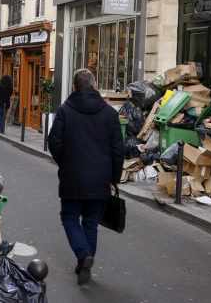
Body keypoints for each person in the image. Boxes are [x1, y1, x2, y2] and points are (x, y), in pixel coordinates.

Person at [48, 69, 124, 285]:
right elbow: (118, 149)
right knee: (91, 222)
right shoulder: (110, 114)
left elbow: (54, 142)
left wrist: (66, 162)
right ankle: (85, 261)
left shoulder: (65, 111)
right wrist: (114, 177)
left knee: (70, 217)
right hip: (100, 179)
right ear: (94, 85)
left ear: (74, 86)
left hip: (72, 177)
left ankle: (83, 256)